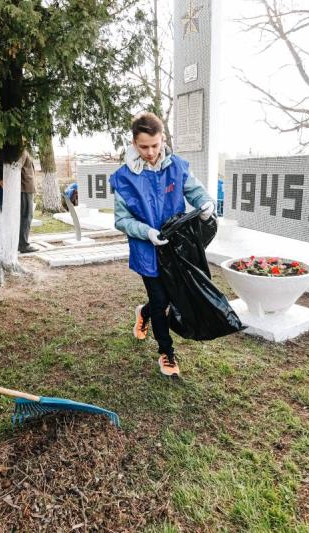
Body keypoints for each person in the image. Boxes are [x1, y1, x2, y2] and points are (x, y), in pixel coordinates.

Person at [110, 112, 215, 378]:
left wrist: (205, 204)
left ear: (162, 140)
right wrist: (146, 232)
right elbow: (121, 220)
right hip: (146, 248)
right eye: (143, 146)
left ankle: (142, 314)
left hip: (174, 248)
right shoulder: (123, 178)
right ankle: (166, 353)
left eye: (155, 145)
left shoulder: (177, 167)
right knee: (160, 300)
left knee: (169, 297)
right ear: (134, 143)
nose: (150, 152)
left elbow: (195, 191)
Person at [19, 150, 38, 253]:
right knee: (26, 216)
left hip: (27, 188)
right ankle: (23, 245)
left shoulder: (26, 150)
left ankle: (21, 243)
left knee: (26, 216)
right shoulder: (22, 150)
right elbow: (17, 168)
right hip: (24, 188)